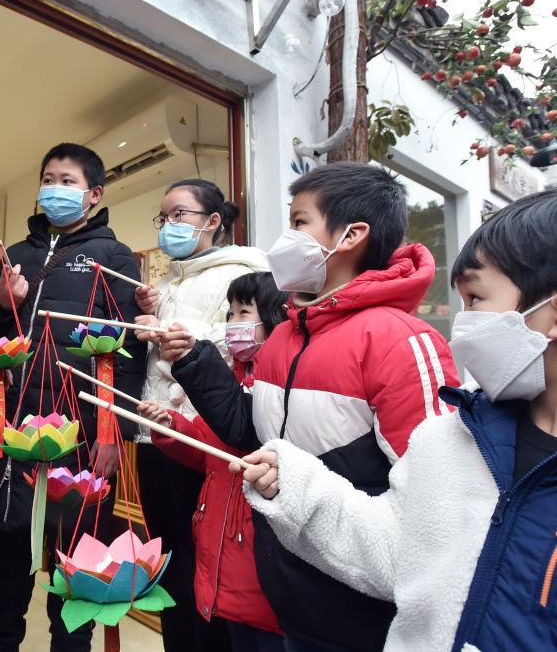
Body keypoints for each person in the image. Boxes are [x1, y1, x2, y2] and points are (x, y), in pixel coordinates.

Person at [239, 182, 557, 651]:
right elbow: (396, 551)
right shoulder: (452, 439)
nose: (463, 320)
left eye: (474, 300)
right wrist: (295, 483)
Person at [158, 162, 459, 650]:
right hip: (285, 594)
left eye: (299, 222)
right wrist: (194, 360)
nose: (287, 237)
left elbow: (434, 508)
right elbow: (250, 433)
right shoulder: (284, 338)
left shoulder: (399, 340)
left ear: (351, 236)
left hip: (356, 613)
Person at [0, 143, 146, 652]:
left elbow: (129, 350)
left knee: (75, 573)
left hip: (81, 437)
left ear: (93, 194)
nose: (55, 189)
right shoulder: (16, 256)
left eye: (67, 181)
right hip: (15, 435)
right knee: (4, 563)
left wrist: (113, 432)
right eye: (49, 178)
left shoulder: (114, 257)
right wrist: (3, 304)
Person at [133, 179, 267, 652]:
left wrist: (173, 327)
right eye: (163, 217)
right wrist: (147, 314)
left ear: (213, 222)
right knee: (168, 557)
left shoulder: (247, 270)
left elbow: (248, 337)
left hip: (206, 440)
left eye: (180, 215)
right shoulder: (166, 280)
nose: (169, 225)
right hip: (156, 436)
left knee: (205, 558)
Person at [140, 271, 288, 652]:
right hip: (221, 543)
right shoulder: (232, 378)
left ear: (275, 319)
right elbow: (206, 445)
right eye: (230, 313)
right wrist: (172, 426)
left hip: (256, 550)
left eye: (243, 313)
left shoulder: (282, 383)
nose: (232, 324)